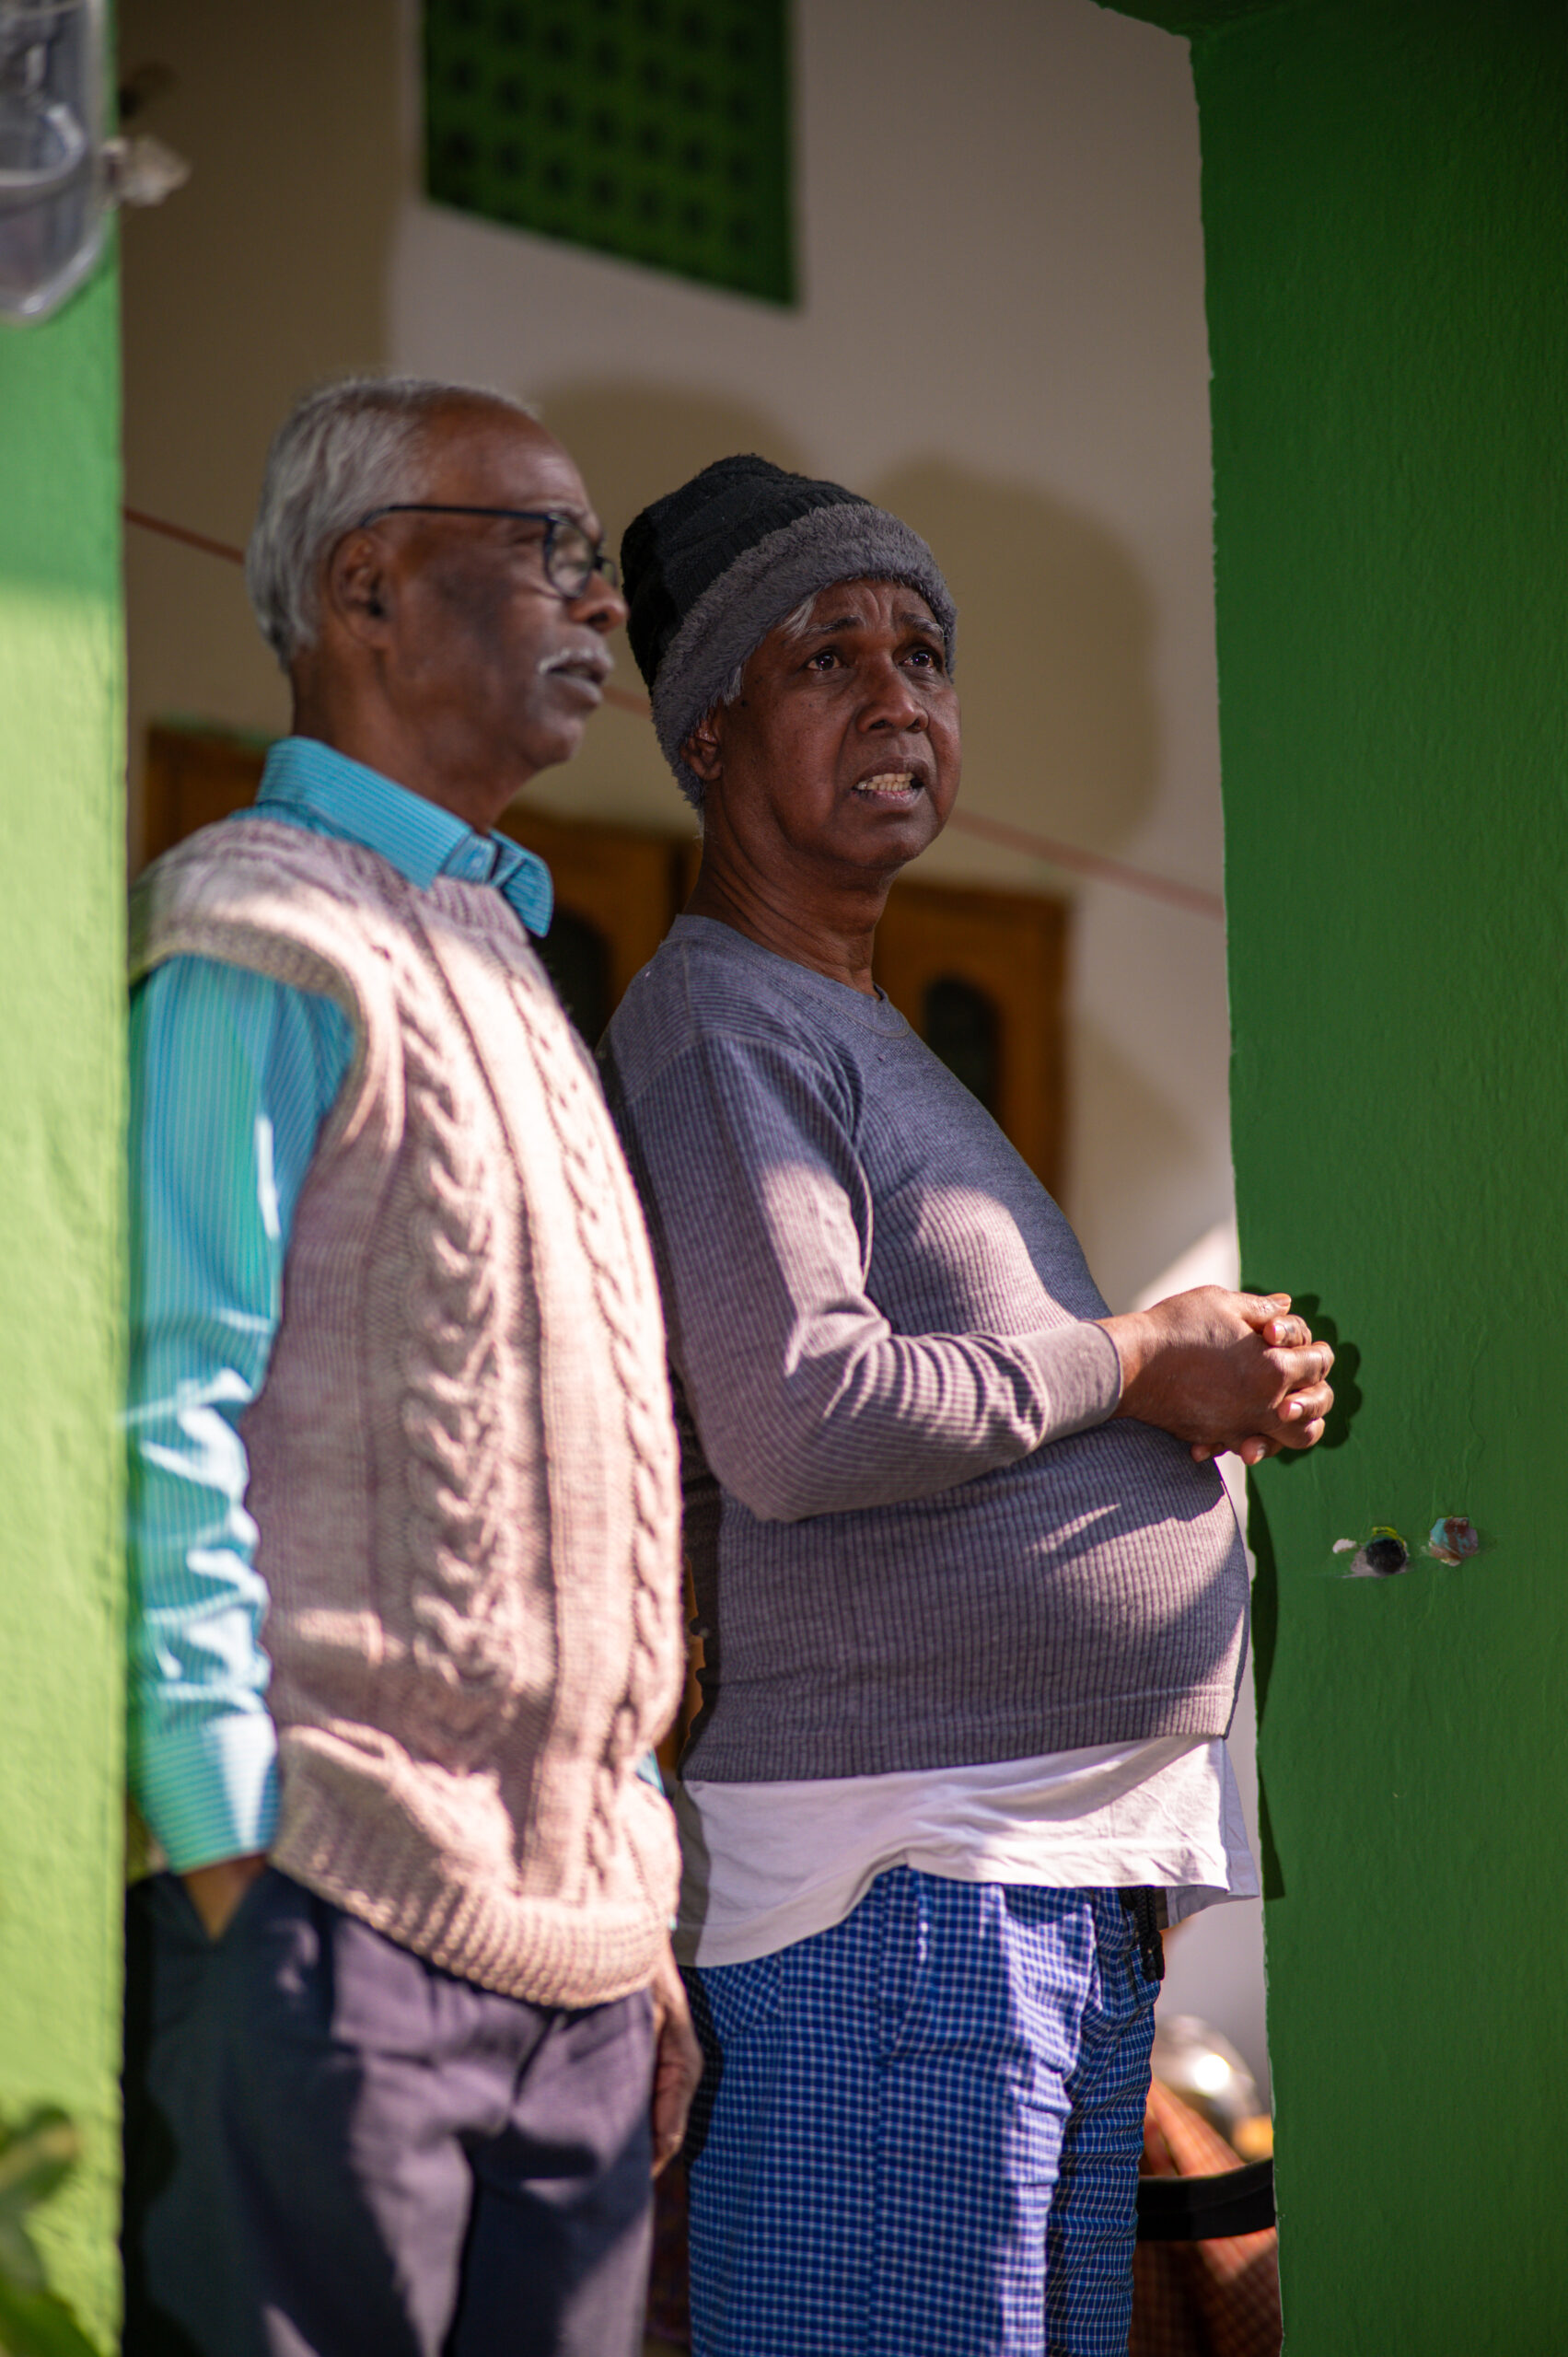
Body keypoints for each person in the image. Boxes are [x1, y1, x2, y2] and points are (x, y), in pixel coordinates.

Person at [598, 456, 1336, 2357]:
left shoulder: (853, 1029)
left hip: (1015, 1892)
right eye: (825, 655)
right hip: (901, 1900)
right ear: (706, 733)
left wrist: (1193, 1390)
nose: (896, 694)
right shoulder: (720, 1022)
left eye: (921, 652)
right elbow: (804, 1413)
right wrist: (1136, 1360)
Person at [122, 377, 701, 2357]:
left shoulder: (511, 959)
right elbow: (161, 1411)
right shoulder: (257, 931)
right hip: (326, 1918)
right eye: (552, 548)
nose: (600, 602)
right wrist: (229, 1858)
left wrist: (625, 1902)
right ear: (368, 585)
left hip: (578, 1967)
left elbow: (585, 1513)